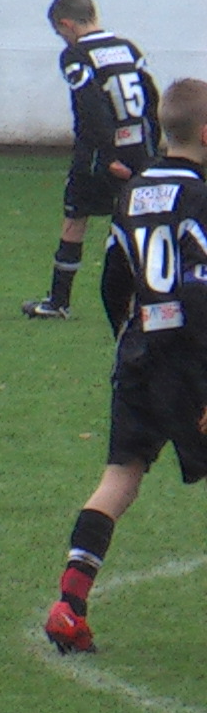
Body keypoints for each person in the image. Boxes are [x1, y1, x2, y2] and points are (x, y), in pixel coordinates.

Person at [42, 77, 207, 655]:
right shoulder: (201, 198)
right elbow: (199, 291)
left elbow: (115, 279)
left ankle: (69, 606)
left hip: (139, 354)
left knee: (119, 479)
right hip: (192, 360)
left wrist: (130, 341)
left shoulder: (133, 192)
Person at [23, 0, 161, 320]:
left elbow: (91, 108)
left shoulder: (77, 56)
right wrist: (151, 150)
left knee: (75, 219)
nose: (62, 39)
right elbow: (152, 100)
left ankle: (59, 301)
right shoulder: (129, 49)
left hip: (100, 155)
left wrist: (108, 156)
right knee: (139, 223)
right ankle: (148, 300)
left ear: (67, 24)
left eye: (60, 33)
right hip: (139, 151)